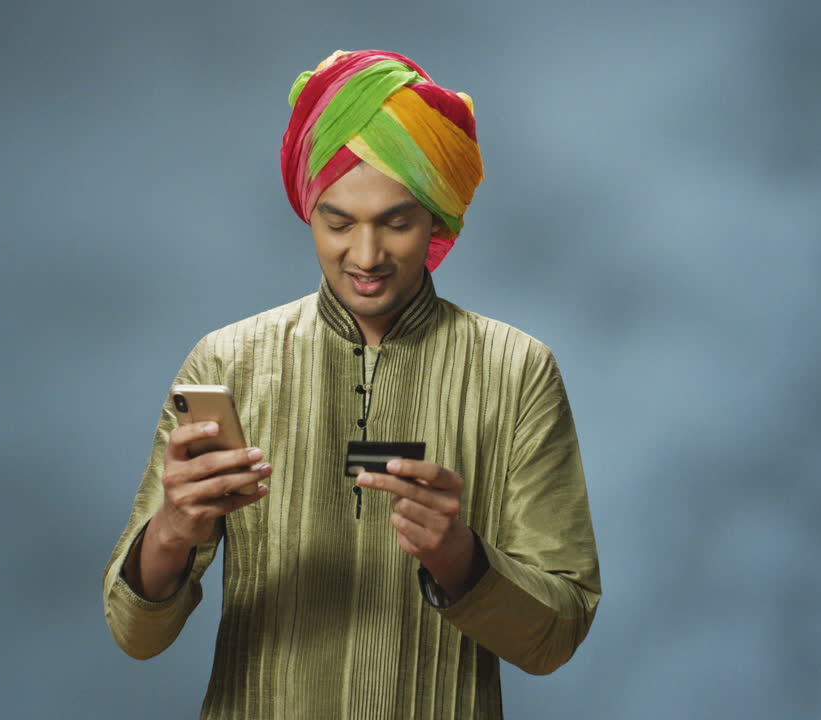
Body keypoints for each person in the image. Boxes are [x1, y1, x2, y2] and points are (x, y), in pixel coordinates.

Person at [102, 49, 601, 720]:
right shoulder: (226, 362)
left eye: (396, 222)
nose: (366, 257)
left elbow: (556, 639)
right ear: (308, 212)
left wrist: (459, 557)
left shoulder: (517, 371)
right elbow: (135, 636)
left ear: (436, 221)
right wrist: (169, 532)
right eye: (339, 223)